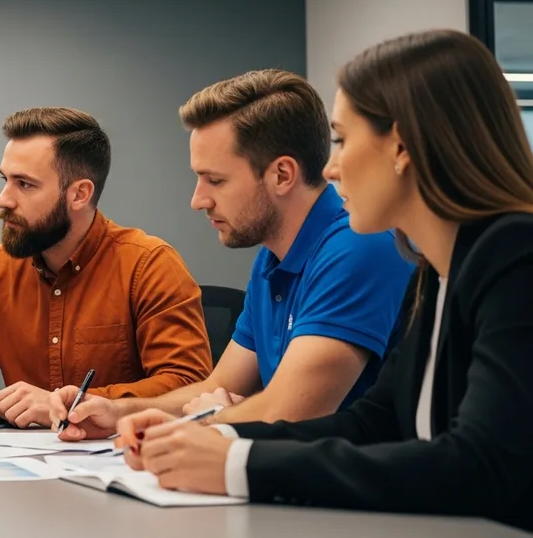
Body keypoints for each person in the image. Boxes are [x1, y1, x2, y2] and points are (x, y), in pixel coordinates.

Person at [112, 29, 533, 531]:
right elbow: (374, 422)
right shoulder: (435, 273)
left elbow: (481, 465)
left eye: (342, 140)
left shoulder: (514, 256)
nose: (331, 168)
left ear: (402, 147)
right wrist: (213, 438)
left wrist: (236, 463)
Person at [50, 70, 413, 439]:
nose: (198, 200)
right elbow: (218, 386)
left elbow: (293, 411)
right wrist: (117, 412)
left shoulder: (358, 246)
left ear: (282, 175)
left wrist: (219, 417)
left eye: (216, 180)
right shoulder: (272, 259)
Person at [0, 107, 212, 427]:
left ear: (79, 194)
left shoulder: (149, 264)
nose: (3, 200)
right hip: (18, 454)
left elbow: (187, 385)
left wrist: (69, 405)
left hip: (123, 451)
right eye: (5, 180)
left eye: (24, 184)